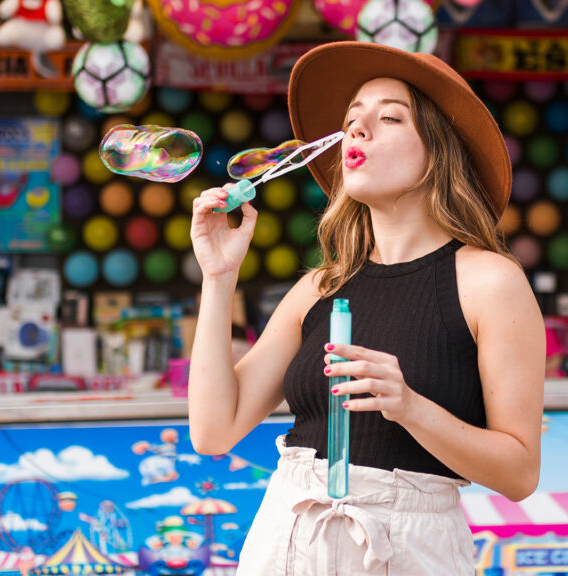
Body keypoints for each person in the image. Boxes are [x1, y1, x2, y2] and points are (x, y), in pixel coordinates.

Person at [188, 41, 544, 575]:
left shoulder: (489, 281)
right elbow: (213, 431)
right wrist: (218, 278)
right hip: (287, 539)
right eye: (352, 119)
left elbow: (520, 474)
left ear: (438, 152)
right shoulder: (318, 287)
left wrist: (409, 406)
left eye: (390, 117)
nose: (357, 129)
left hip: (409, 548)